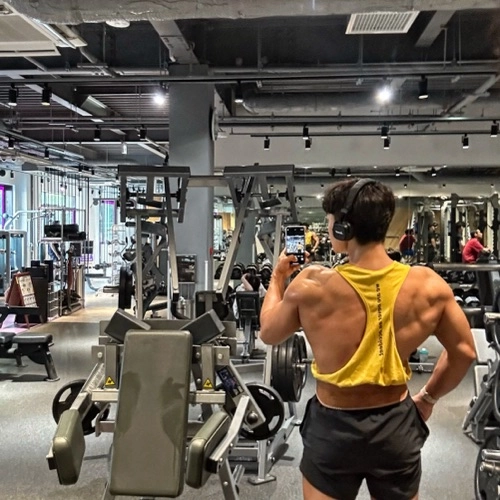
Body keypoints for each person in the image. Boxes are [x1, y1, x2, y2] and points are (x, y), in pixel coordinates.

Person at [259, 178, 475, 500]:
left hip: (332, 427)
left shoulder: (311, 284)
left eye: (330, 220)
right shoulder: (428, 285)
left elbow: (268, 332)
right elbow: (465, 352)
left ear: (343, 226)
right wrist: (428, 398)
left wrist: (278, 278)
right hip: (395, 424)